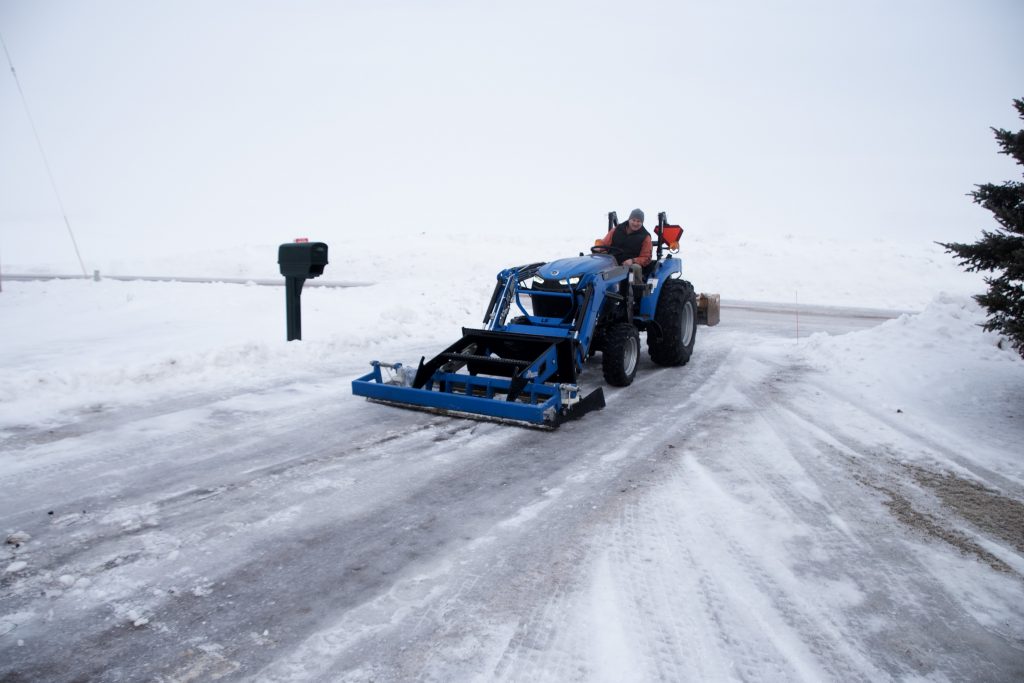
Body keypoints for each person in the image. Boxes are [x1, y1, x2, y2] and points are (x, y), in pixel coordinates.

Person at [597, 208, 652, 281]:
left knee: (635, 268)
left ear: (642, 223)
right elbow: (604, 243)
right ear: (629, 219)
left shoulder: (645, 237)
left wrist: (632, 261)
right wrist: (600, 248)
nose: (635, 223)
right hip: (612, 261)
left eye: (638, 221)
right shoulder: (617, 229)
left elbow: (646, 258)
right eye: (633, 220)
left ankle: (635, 291)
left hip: (628, 265)